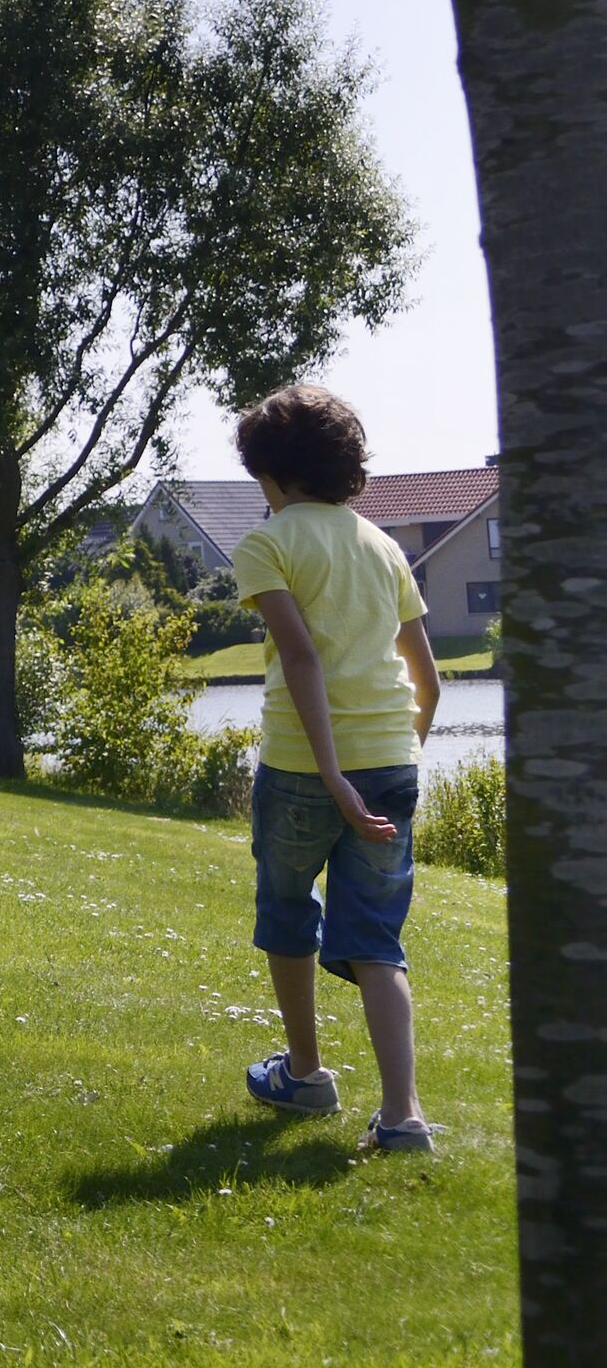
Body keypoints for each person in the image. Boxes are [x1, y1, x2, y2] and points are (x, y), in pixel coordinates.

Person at [229, 384, 443, 1153]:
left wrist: (333, 776)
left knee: (288, 913)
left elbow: (300, 656)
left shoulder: (270, 541)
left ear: (270, 473)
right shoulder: (383, 546)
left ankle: (308, 1076)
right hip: (393, 760)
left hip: (300, 771)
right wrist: (393, 758)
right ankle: (402, 1116)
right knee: (377, 940)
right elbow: (430, 680)